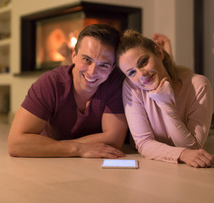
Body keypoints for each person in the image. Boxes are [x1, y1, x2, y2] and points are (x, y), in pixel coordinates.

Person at [8, 24, 128, 158]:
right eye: (87, 59)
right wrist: (79, 149)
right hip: (52, 165)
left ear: (112, 68)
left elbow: (113, 140)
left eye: (104, 65)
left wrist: (52, 146)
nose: (92, 72)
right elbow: (16, 144)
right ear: (74, 55)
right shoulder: (50, 83)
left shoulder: (116, 84)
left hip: (90, 162)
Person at [116, 29, 214, 168]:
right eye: (132, 72)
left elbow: (193, 148)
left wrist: (165, 104)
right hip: (152, 166)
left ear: (159, 52)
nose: (142, 74)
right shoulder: (131, 86)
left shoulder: (198, 85)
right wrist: (182, 154)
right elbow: (144, 143)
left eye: (144, 62)